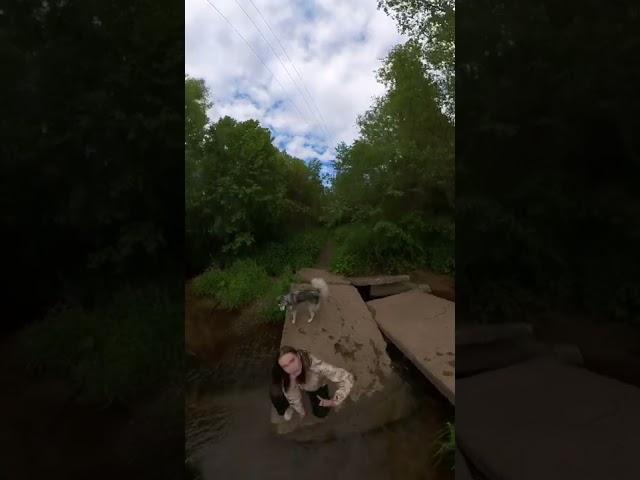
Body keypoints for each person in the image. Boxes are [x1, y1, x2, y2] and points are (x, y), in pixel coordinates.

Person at [270, 345, 355, 421]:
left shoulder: (316, 366)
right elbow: (292, 394)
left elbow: (347, 378)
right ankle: (287, 408)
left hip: (315, 387)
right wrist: (300, 410)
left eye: (292, 361)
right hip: (298, 385)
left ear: (298, 356)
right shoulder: (286, 374)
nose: (291, 368)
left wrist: (335, 400)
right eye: (285, 366)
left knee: (321, 413)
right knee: (275, 393)